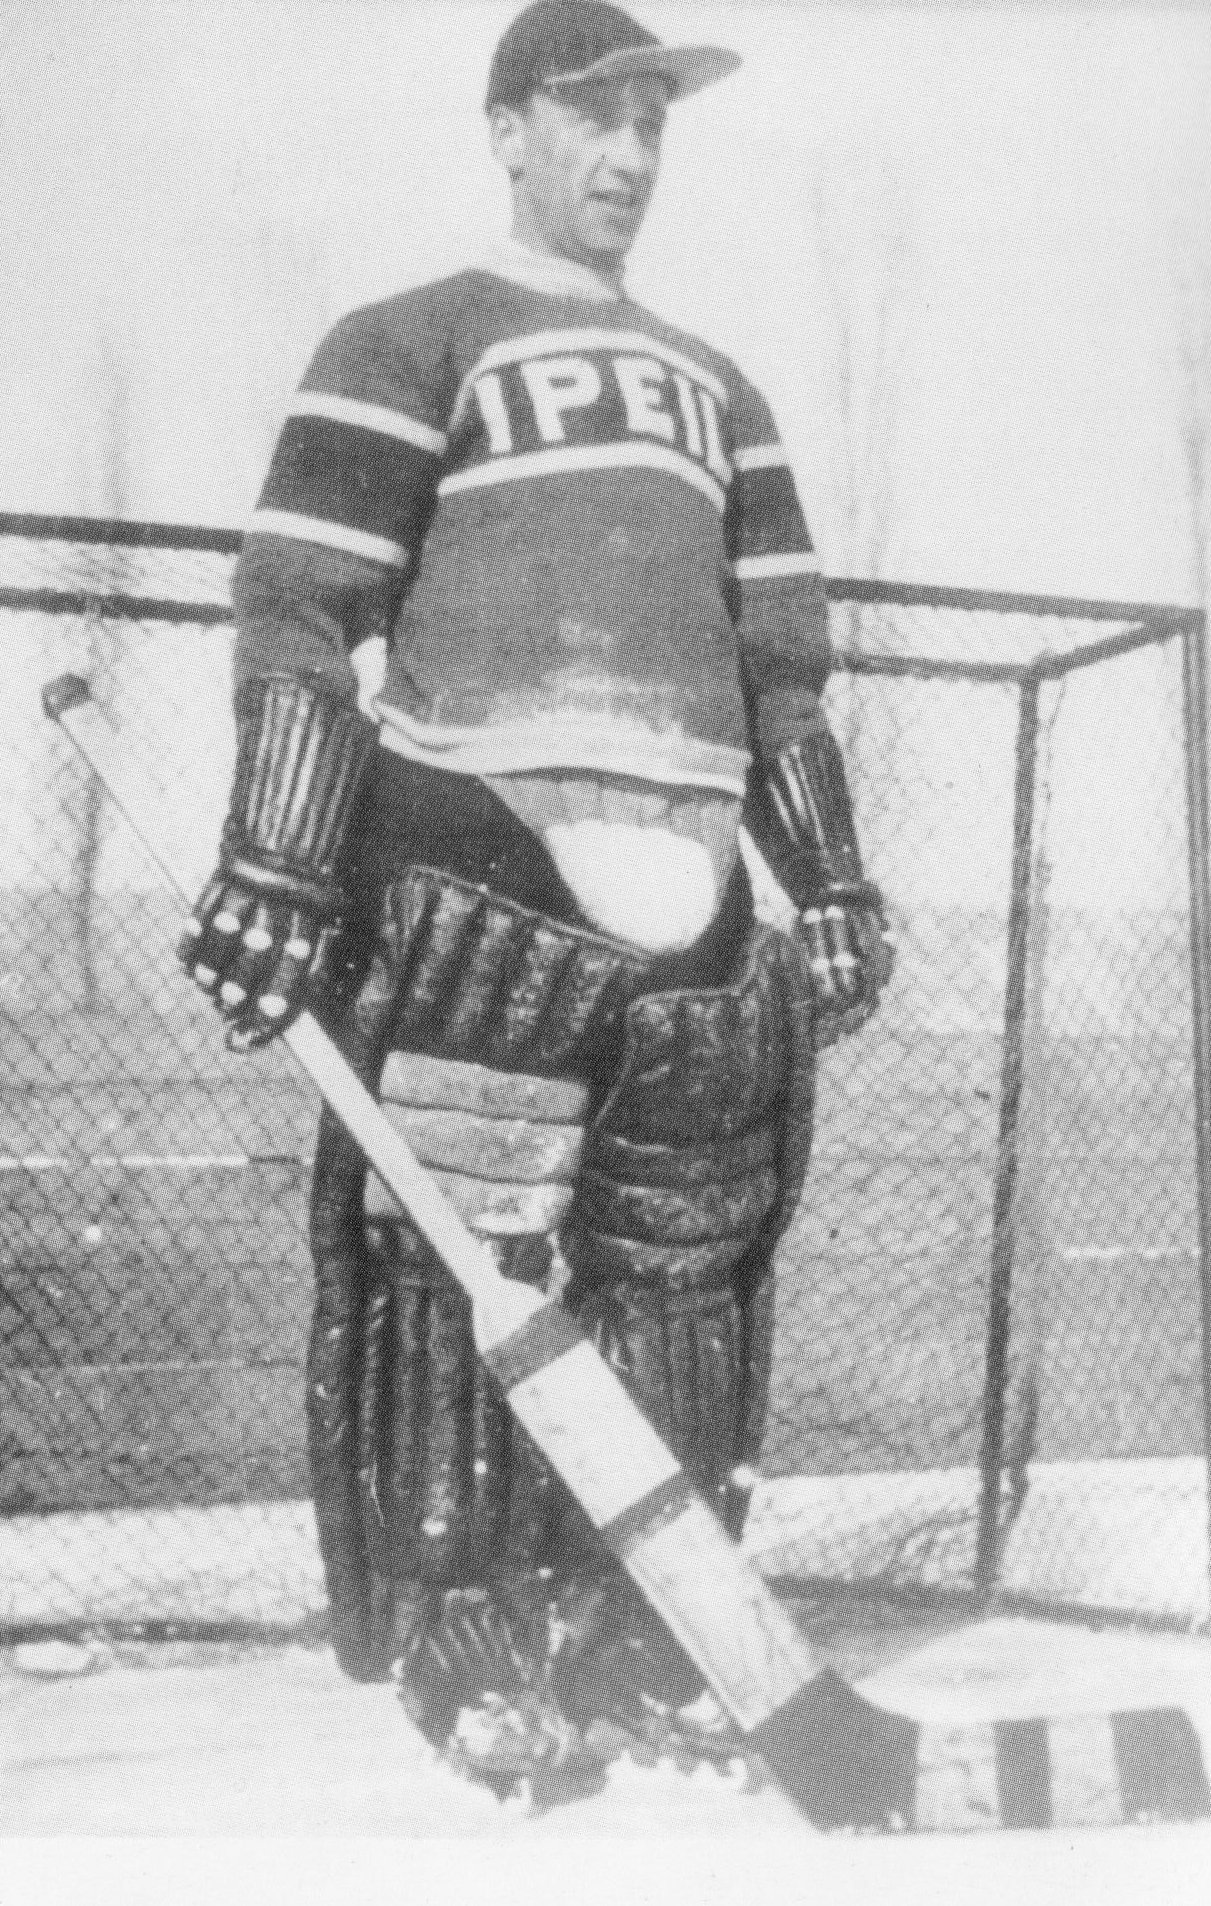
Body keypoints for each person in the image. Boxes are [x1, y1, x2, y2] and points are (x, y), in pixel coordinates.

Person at [179, 0, 893, 1799]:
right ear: (509, 129)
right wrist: (277, 845)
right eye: (592, 115)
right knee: (455, 1265)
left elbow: (781, 666)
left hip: (694, 885)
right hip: (473, 851)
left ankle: (647, 1641)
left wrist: (831, 872)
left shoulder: (720, 386)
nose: (630, 154)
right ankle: (464, 1628)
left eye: (650, 119)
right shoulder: (412, 337)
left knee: (683, 1286)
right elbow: (301, 603)